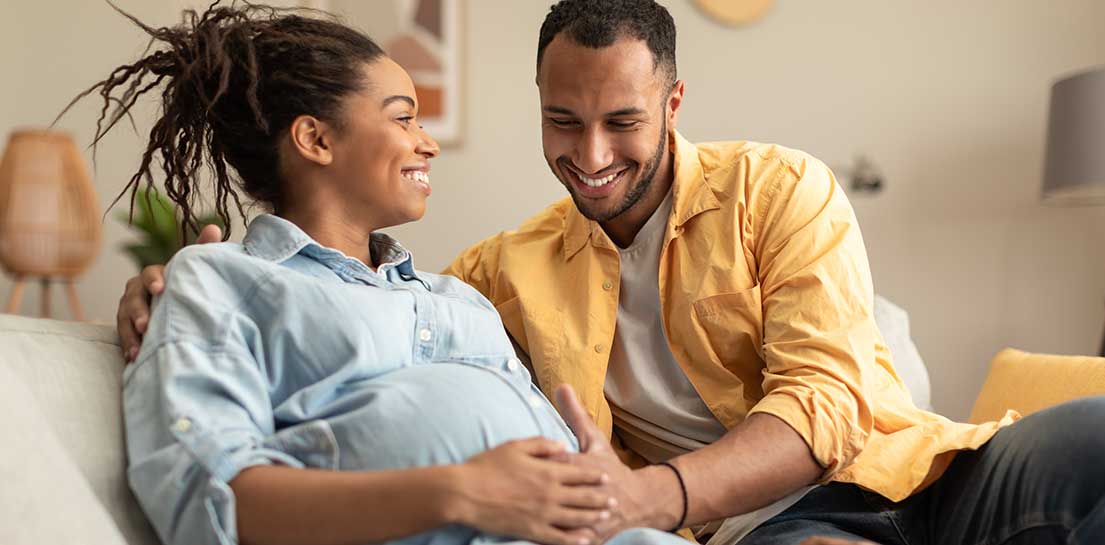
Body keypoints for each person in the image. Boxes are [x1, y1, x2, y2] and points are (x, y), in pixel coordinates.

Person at [119, 1, 1105, 544]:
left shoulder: (777, 188)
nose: (590, 151)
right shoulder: (492, 275)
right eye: (562, 120)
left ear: (673, 101)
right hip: (773, 530)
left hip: (907, 469)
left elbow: (826, 405)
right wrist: (168, 286)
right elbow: (339, 301)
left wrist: (643, 497)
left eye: (622, 120)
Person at [78, 3, 692, 545]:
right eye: (403, 119)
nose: (427, 144)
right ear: (315, 139)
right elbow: (205, 500)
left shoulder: (463, 300)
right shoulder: (222, 283)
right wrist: (461, 492)